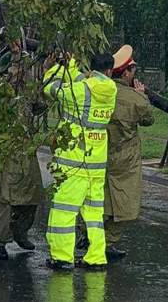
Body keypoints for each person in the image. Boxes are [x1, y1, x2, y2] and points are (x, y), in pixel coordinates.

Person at [43, 50, 117, 271]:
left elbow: (50, 87)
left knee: (64, 210)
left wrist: (58, 67)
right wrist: (72, 66)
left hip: (73, 161)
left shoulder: (79, 91)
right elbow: (84, 83)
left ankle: (62, 257)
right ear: (110, 71)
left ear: (91, 70)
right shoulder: (110, 90)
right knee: (94, 213)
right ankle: (96, 257)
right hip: (96, 162)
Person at [0, 48, 44, 259]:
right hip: (2, 149)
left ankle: (20, 232)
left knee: (32, 195)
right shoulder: (0, 91)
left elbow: (39, 105)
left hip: (24, 149)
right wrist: (18, 58)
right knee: (2, 198)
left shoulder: (26, 92)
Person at [102, 44, 154, 259]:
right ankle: (109, 241)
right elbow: (149, 119)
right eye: (133, 70)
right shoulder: (135, 98)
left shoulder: (101, 91)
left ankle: (86, 234)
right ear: (125, 73)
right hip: (126, 157)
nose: (135, 74)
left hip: (100, 152)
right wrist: (141, 95)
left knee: (99, 198)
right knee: (125, 199)